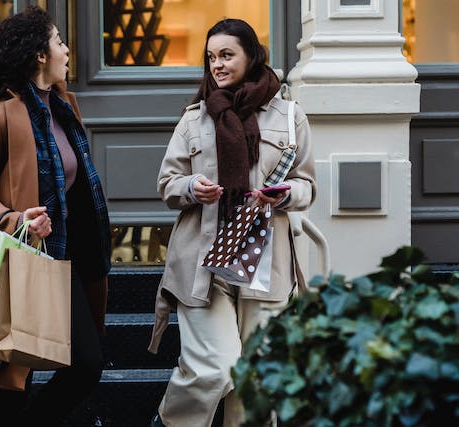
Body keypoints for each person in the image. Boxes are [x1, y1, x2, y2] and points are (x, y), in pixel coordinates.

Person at [148, 18, 316, 427]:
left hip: (266, 263)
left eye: (226, 55)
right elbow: (167, 183)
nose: (217, 65)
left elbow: (307, 185)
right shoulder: (195, 117)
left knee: (255, 381)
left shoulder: (290, 115)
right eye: (210, 57)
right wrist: (192, 187)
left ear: (251, 56)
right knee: (215, 367)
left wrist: (284, 195)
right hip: (205, 263)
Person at [0, 6, 111, 426]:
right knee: (5, 386)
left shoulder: (63, 108)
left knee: (85, 365)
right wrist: (14, 217)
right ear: (40, 55)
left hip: (63, 257)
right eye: (59, 41)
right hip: (16, 261)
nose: (66, 49)